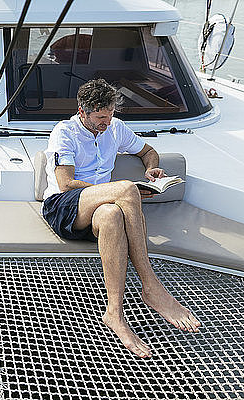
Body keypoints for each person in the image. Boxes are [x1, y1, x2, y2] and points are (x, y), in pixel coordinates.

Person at [42, 79, 201, 358]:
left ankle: (114, 313)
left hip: (99, 209)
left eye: (110, 115)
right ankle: (151, 287)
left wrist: (152, 169)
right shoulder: (64, 133)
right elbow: (66, 183)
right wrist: (114, 191)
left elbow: (148, 151)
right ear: (83, 111)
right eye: (101, 117)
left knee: (112, 214)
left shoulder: (115, 129)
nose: (107, 122)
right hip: (64, 206)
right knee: (126, 189)